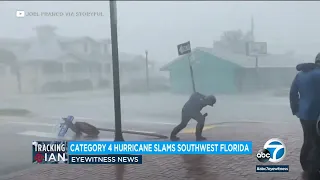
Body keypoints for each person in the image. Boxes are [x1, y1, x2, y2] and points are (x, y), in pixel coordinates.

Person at [290, 53, 320, 178]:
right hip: (318, 114)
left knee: (308, 139)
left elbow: (293, 93)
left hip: (304, 114)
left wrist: (296, 109)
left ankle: (306, 165)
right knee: (317, 141)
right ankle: (313, 169)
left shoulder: (301, 74)